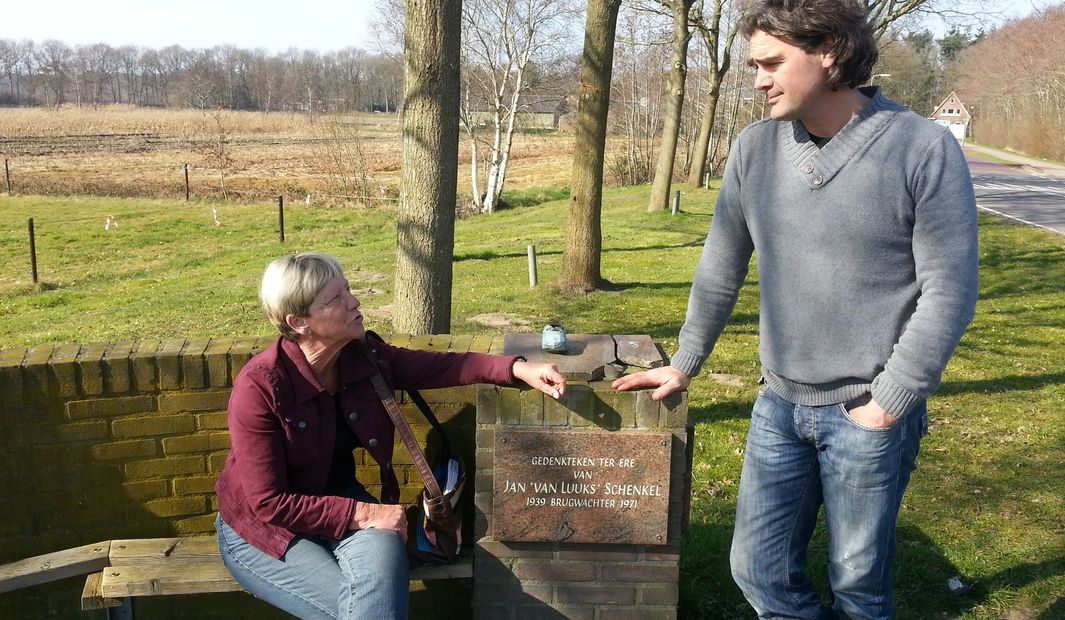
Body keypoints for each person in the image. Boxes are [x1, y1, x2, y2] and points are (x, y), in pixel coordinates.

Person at [612, 0, 979, 617]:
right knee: (755, 569)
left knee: (859, 586)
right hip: (779, 406)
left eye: (772, 64)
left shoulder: (921, 147)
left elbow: (950, 289)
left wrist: (890, 402)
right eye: (754, 66)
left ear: (829, 52)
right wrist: (684, 362)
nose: (757, 81)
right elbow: (720, 266)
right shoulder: (754, 150)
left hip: (867, 408)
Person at [214, 252, 566, 619]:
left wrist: (518, 368)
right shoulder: (261, 387)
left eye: (347, 289)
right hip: (266, 532)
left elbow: (445, 365)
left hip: (342, 507)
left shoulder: (363, 358)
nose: (354, 301)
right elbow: (269, 503)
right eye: (336, 298)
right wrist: (365, 512)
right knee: (365, 610)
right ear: (299, 321)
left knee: (375, 601)